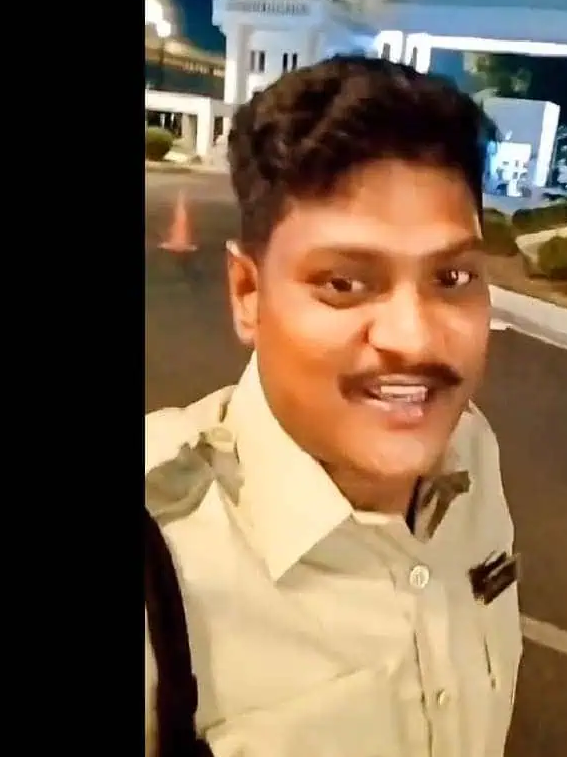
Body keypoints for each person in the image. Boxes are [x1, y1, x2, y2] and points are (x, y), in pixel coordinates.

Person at [144, 56, 521, 756]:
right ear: (248, 294)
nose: (414, 340)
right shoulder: (162, 557)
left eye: (452, 277)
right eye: (344, 284)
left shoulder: (471, 455)